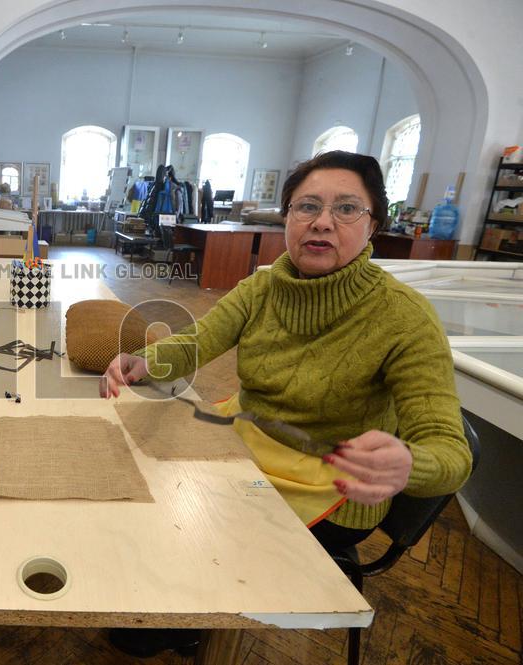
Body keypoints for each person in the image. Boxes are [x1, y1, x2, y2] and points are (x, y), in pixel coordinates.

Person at [100, 150, 472, 658]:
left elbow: (451, 453)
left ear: (373, 227)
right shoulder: (263, 287)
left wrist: (409, 463)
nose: (322, 222)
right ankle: (171, 608)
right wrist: (144, 360)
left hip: (326, 483)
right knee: (142, 490)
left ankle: (187, 616)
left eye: (346, 209)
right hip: (244, 444)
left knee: (191, 541)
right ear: (288, 218)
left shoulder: (405, 318)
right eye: (307, 206)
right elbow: (199, 341)